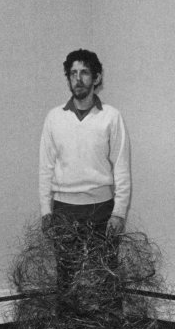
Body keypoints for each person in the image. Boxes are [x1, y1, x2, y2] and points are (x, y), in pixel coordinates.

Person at [39, 49, 131, 306]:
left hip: (101, 210)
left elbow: (121, 168)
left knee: (105, 278)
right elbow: (45, 167)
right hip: (64, 210)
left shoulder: (111, 117)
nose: (78, 79)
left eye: (84, 73)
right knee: (67, 281)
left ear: (97, 78)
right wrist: (46, 210)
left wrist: (119, 212)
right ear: (68, 79)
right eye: (73, 74)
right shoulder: (54, 117)